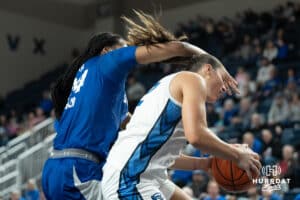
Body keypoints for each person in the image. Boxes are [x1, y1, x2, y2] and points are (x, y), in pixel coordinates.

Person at [42, 11, 239, 200]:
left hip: (58, 167)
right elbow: (177, 48)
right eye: (123, 47)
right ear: (107, 50)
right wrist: (213, 62)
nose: (128, 50)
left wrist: (200, 163)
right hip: (79, 171)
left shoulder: (101, 88)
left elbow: (141, 142)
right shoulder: (105, 62)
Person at [101, 54, 261, 200]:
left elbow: (159, 154)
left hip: (143, 173)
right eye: (224, 77)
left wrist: (203, 164)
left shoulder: (170, 89)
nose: (225, 87)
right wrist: (237, 155)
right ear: (208, 69)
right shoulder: (193, 80)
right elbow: (197, 136)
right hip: (130, 178)